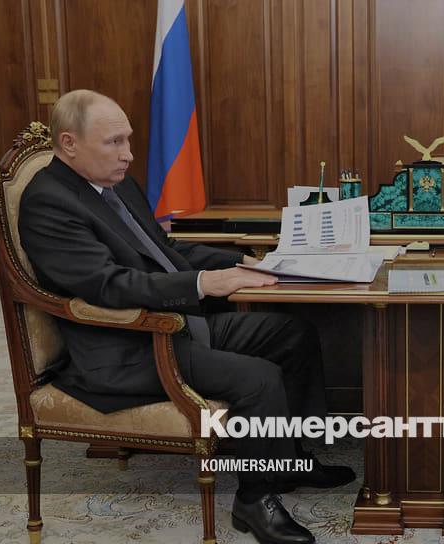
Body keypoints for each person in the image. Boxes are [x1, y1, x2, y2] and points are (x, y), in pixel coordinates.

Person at [19, 89, 354, 544]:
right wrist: (202, 284)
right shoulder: (49, 201)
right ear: (69, 143)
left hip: (173, 326)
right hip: (125, 347)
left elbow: (164, 250)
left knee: (291, 334)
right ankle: (255, 500)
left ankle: (287, 459)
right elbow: (107, 284)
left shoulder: (116, 183)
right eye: (114, 142)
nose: (128, 154)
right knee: (258, 378)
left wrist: (245, 262)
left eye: (128, 140)